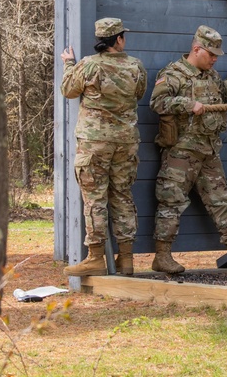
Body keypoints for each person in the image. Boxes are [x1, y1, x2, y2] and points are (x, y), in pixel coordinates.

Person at [148, 25, 227, 272]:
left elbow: (224, 92)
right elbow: (157, 102)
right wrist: (188, 104)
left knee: (221, 200)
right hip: (181, 151)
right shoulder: (174, 73)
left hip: (208, 151)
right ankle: (162, 256)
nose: (215, 59)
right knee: (171, 200)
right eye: (211, 54)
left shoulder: (211, 76)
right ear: (197, 49)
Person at [60, 17, 148, 277]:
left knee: (95, 198)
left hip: (94, 142)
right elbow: (139, 94)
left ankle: (96, 257)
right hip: (126, 141)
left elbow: (68, 90)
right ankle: (127, 258)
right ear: (118, 39)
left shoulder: (88, 65)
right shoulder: (136, 67)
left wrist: (68, 63)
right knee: (122, 195)